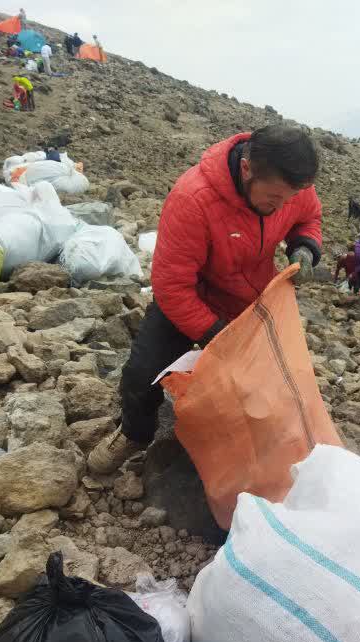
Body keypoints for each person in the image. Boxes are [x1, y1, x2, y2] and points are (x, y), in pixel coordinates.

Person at [88, 124, 324, 475]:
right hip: (191, 300)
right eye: (275, 198)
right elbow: (172, 286)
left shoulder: (288, 183)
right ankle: (134, 434)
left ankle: (263, 452)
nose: (282, 206)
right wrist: (217, 335)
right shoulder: (193, 199)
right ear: (247, 169)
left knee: (272, 379)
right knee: (141, 373)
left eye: (289, 198)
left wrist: (304, 247)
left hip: (251, 299)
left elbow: (308, 217)